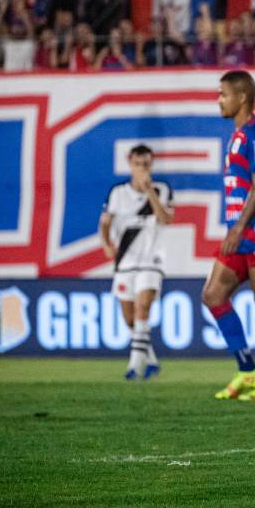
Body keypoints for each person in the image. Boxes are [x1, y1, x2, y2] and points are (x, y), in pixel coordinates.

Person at [201, 70, 255, 402]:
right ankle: (248, 370)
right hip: (241, 232)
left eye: (222, 94)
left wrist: (238, 228)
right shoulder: (238, 135)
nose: (219, 100)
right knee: (213, 295)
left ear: (241, 98)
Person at [98, 144, 174, 380]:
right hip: (125, 261)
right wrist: (107, 244)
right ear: (130, 163)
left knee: (143, 308)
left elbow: (165, 219)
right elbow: (105, 222)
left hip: (151, 260)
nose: (142, 168)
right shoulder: (118, 192)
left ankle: (134, 367)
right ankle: (150, 360)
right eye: (138, 164)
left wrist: (149, 191)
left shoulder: (161, 189)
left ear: (151, 164)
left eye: (146, 164)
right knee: (130, 319)